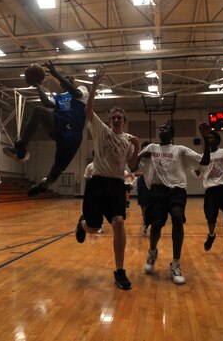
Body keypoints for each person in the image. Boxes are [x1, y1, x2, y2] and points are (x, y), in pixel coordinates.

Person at [75, 67, 139, 290]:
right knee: (93, 229)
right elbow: (88, 111)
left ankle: (120, 271)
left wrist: (138, 146)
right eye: (113, 116)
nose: (116, 118)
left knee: (119, 222)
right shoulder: (102, 130)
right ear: (110, 120)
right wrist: (93, 87)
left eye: (120, 116)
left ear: (125, 121)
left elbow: (132, 166)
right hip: (97, 183)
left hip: (116, 186)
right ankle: (83, 224)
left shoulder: (128, 141)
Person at [135, 122, 210, 285]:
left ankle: (175, 264)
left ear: (172, 134)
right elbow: (133, 165)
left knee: (177, 217)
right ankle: (152, 252)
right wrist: (140, 155)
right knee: (156, 224)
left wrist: (206, 139)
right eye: (160, 128)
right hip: (157, 191)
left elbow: (203, 162)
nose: (162, 130)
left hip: (176, 191)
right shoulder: (151, 148)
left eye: (166, 128)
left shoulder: (180, 150)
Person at [3, 61, 88, 196]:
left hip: (73, 135)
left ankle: (44, 185)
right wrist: (38, 86)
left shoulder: (83, 91)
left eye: (70, 79)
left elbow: (76, 94)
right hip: (58, 126)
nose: (68, 80)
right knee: (39, 111)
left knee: (56, 171)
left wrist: (57, 74)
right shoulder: (58, 97)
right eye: (66, 79)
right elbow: (47, 103)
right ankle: (20, 149)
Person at [197, 132, 223, 263]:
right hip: (210, 190)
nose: (209, 140)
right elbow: (198, 171)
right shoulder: (204, 156)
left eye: (212, 138)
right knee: (210, 219)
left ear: (218, 141)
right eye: (207, 138)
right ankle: (211, 235)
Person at [136, 140, 151, 236]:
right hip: (142, 183)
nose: (145, 150)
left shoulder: (155, 159)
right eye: (144, 149)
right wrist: (144, 173)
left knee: (153, 205)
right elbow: (133, 172)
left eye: (147, 149)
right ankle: (145, 224)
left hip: (152, 183)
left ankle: (152, 223)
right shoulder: (139, 159)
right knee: (143, 206)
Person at [84, 160, 103, 234]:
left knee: (101, 208)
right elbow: (86, 177)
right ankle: (91, 224)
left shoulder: (103, 165)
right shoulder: (90, 166)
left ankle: (100, 226)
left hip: (102, 189)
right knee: (93, 209)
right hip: (93, 190)